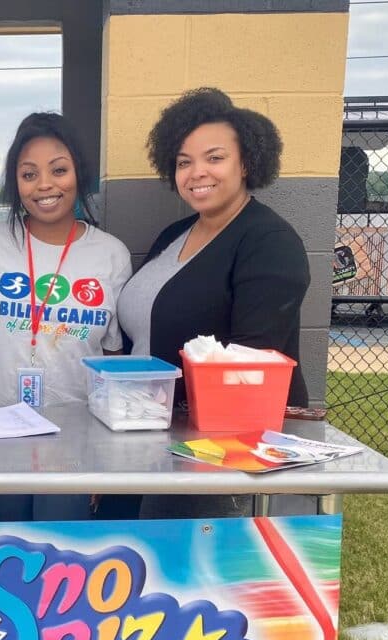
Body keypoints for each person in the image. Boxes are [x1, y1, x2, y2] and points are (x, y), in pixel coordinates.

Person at [114, 86, 311, 519]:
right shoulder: (174, 234)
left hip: (221, 455)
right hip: (153, 434)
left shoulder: (269, 242)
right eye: (184, 162)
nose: (197, 172)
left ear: (247, 163)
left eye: (215, 158)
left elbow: (251, 364)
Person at [0, 112, 133, 521]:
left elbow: (115, 362)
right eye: (29, 174)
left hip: (77, 440)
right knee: (5, 546)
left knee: (61, 549)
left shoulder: (111, 254)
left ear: (79, 174)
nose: (45, 185)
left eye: (59, 170)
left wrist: (107, 458)